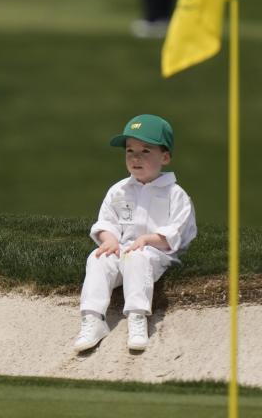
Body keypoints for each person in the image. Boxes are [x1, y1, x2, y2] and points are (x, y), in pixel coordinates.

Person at [74, 114, 198, 353]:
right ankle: (92, 319)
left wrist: (148, 240)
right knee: (97, 258)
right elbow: (106, 222)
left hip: (156, 253)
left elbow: (177, 232)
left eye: (146, 151)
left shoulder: (175, 194)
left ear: (165, 157)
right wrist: (109, 239)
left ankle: (137, 317)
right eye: (130, 151)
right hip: (124, 248)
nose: (136, 158)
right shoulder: (119, 190)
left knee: (138, 257)